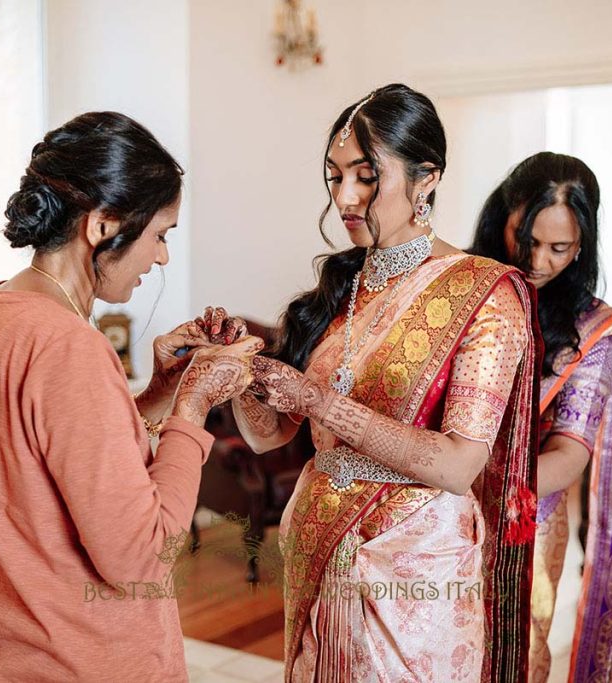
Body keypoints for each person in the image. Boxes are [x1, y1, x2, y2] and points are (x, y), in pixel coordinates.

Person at [231, 84, 541, 682]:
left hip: (414, 568)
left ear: (426, 178)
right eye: (334, 176)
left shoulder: (484, 294)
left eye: (367, 176)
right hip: (318, 545)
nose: (346, 197)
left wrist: (322, 402)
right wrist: (242, 369)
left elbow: (457, 467)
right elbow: (270, 438)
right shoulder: (337, 290)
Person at [0, 111, 262, 682]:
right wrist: (194, 408)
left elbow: (56, 464)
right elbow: (140, 555)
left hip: (14, 659)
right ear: (103, 225)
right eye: (160, 234)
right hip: (82, 661)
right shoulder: (70, 346)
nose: (162, 256)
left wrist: (160, 396)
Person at [469, 152, 612, 682]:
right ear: (502, 217)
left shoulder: (589, 332)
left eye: (559, 248)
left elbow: (570, 453)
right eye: (526, 240)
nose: (539, 262)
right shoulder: (458, 286)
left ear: (582, 246)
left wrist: (469, 476)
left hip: (523, 513)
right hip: (429, 508)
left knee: (514, 656)